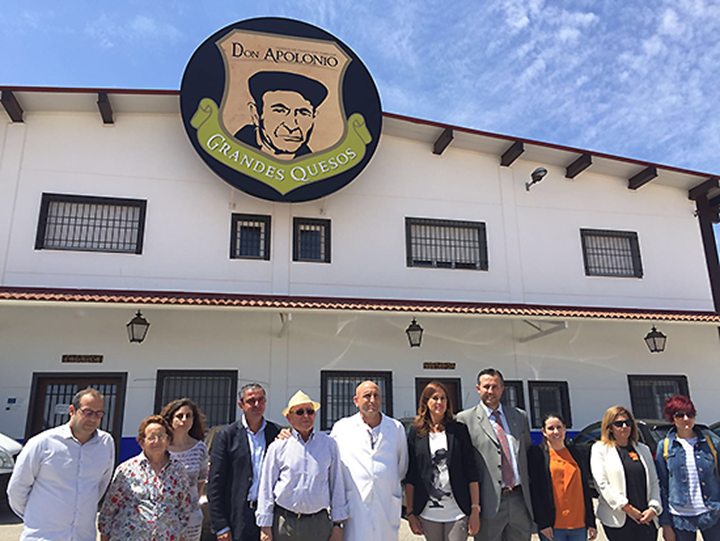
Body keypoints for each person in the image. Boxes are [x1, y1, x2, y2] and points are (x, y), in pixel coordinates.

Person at [7, 387, 115, 541]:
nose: (93, 419)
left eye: (98, 414)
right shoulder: (42, 443)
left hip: (83, 536)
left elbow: (100, 486)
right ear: (72, 410)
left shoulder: (106, 443)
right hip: (44, 536)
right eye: (87, 412)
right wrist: (36, 517)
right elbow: (17, 489)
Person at [256, 390, 348, 541]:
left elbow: (336, 485)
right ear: (289, 418)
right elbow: (266, 487)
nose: (306, 416)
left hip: (318, 524)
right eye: (299, 412)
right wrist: (265, 527)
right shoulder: (278, 446)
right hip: (284, 523)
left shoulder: (329, 444)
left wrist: (338, 525)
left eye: (310, 411)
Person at [456, 368, 534, 541]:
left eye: (495, 386)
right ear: (478, 388)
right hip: (488, 504)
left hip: (519, 500)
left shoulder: (519, 416)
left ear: (502, 389)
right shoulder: (464, 420)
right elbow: (463, 466)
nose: (490, 391)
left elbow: (528, 456)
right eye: (486, 387)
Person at [329, 380, 409, 541]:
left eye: (376, 396)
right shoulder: (342, 428)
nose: (372, 400)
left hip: (386, 506)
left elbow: (401, 466)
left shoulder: (396, 428)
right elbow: (330, 463)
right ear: (356, 401)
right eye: (367, 396)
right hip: (354, 507)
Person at [405, 381, 481, 541]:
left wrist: (475, 509)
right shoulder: (416, 432)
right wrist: (410, 512)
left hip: (457, 510)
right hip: (428, 512)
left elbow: (471, 471)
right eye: (434, 398)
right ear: (426, 402)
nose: (439, 402)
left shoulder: (459, 430)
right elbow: (412, 475)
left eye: (443, 398)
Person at [98, 414, 193, 541]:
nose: (157, 442)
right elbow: (109, 509)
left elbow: (184, 509)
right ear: (142, 442)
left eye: (161, 437)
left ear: (168, 440)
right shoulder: (126, 470)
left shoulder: (179, 471)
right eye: (151, 437)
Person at [207, 383, 281, 541]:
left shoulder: (276, 434)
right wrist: (221, 525)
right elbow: (215, 485)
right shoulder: (226, 436)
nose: (257, 405)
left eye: (261, 400)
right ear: (241, 405)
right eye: (251, 400)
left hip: (271, 516)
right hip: (239, 515)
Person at [590, 406, 661, 541]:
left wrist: (654, 508)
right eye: (618, 424)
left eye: (628, 423)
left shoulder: (643, 449)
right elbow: (602, 484)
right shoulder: (600, 449)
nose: (624, 426)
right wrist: (627, 508)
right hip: (619, 518)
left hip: (646, 517)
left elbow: (654, 482)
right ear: (610, 427)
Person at [655, 395, 720, 541]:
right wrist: (666, 524)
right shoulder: (665, 446)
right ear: (672, 418)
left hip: (712, 513)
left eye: (690, 414)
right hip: (680, 517)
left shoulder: (711, 443)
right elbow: (662, 487)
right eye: (680, 415)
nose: (686, 419)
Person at [527, 413, 597, 541]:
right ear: (543, 431)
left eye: (559, 427)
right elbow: (536, 492)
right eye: (551, 428)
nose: (556, 432)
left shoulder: (576, 453)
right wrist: (543, 523)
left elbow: (585, 489)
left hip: (579, 525)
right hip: (553, 527)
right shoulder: (537, 454)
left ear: (565, 428)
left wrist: (591, 522)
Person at [234, 71, 328, 159]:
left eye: (303, 113)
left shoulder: (310, 161)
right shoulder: (236, 148)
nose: (291, 126)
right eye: (280, 111)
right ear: (255, 114)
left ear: (314, 118)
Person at [161, 398, 209, 541]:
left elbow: (200, 482)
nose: (184, 420)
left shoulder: (200, 448)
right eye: (179, 416)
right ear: (170, 419)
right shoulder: (161, 448)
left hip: (191, 516)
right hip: (163, 515)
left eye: (188, 416)